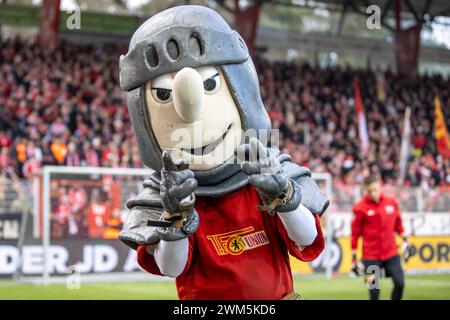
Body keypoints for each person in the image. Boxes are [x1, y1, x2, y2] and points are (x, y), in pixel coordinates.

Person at [351, 175, 410, 300]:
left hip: (391, 254)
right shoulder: (359, 208)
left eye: (375, 189)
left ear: (380, 186)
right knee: (374, 293)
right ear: (365, 190)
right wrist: (354, 256)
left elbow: (398, 225)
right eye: (369, 191)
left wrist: (405, 238)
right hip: (370, 256)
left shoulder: (392, 203)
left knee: (400, 283)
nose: (372, 193)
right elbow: (355, 233)